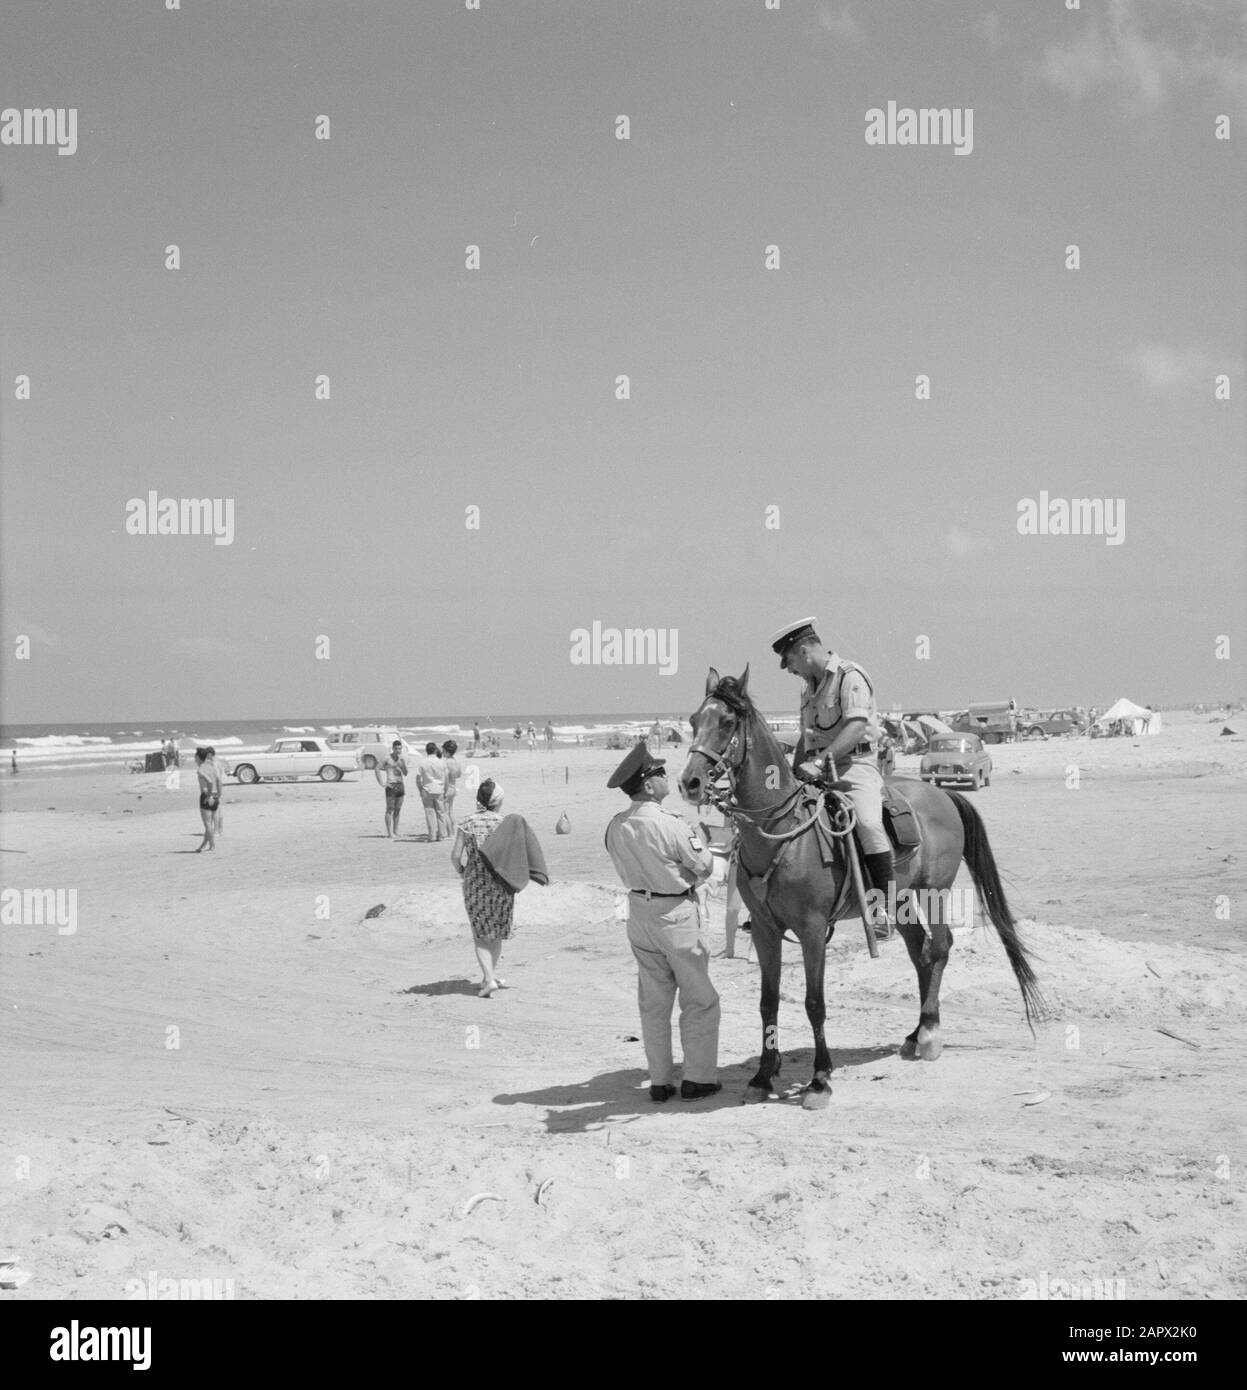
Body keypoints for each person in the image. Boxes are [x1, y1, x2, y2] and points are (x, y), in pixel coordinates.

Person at [604, 741, 720, 1103]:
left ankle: (660, 1080)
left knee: (654, 1001)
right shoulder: (670, 824)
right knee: (699, 998)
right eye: (659, 773)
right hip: (675, 913)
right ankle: (698, 1078)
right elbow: (703, 868)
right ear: (649, 785)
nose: (665, 778)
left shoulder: (617, 824)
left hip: (639, 911)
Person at [770, 617, 894, 942]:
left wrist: (823, 761)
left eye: (789, 661)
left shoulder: (850, 677)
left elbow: (855, 727)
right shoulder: (806, 687)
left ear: (804, 650)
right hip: (819, 769)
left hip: (855, 764)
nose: (789, 669)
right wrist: (794, 772)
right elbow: (806, 737)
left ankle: (884, 909)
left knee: (868, 822)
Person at [451, 779, 513, 996]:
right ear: (497, 801)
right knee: (495, 933)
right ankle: (489, 977)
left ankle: (489, 978)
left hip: (475, 884)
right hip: (501, 884)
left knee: (480, 934)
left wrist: (462, 871)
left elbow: (456, 856)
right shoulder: (505, 823)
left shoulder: (466, 822)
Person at [415, 741, 449, 841]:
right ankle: (441, 835)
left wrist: (420, 789)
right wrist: (445, 790)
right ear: (435, 750)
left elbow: (418, 779)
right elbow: (446, 778)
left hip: (427, 789)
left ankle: (432, 836)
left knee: (430, 814)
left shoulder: (422, 762)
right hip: (439, 789)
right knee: (441, 813)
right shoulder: (442, 762)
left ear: (426, 751)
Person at [375, 739, 408, 838]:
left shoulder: (401, 759)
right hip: (391, 785)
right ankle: (389, 833)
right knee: (390, 809)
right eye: (396, 748)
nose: (398, 750)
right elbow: (377, 768)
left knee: (398, 809)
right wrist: (381, 782)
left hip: (400, 785)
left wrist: (403, 765)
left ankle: (396, 831)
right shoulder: (387, 758)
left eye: (400, 748)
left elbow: (405, 773)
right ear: (393, 748)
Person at [194, 746, 222, 852]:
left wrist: (209, 795)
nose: (194, 759)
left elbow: (209, 781)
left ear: (198, 757)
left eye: (195, 757)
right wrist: (218, 794)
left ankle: (212, 846)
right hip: (215, 795)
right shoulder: (212, 766)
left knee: (207, 823)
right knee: (209, 823)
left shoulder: (200, 769)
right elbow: (218, 780)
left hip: (207, 795)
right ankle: (205, 845)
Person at [441, 740, 461, 829]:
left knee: (445, 812)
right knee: (450, 812)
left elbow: (444, 777)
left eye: (443, 750)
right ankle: (452, 831)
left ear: (447, 751)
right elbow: (458, 775)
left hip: (447, 788)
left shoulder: (446, 762)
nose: (442, 752)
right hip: (453, 787)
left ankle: (449, 833)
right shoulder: (456, 761)